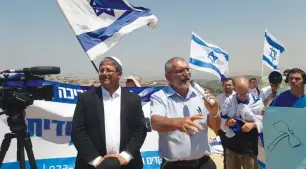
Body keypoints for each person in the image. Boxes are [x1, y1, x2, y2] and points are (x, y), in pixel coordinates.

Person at [71, 56, 147, 169]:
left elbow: (140, 129)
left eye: (108, 70)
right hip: (93, 165)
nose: (104, 73)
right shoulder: (86, 99)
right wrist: (97, 160)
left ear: (119, 74)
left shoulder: (133, 99)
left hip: (127, 164)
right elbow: (78, 132)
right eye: (101, 70)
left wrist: (126, 156)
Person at [150, 57, 221, 169]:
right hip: (176, 166)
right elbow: (155, 123)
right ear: (168, 76)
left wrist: (214, 114)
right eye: (180, 71)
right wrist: (177, 123)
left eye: (188, 70)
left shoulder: (201, 95)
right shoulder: (160, 97)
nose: (186, 73)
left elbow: (216, 128)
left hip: (204, 163)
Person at [221, 77, 264, 169]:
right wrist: (228, 122)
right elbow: (221, 119)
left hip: (249, 145)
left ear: (249, 87)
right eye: (239, 94)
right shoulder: (228, 101)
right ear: (235, 89)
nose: (242, 97)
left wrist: (253, 124)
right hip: (232, 144)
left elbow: (263, 120)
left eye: (245, 94)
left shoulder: (257, 102)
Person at [216, 78, 235, 169]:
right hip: (223, 130)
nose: (227, 87)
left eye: (229, 85)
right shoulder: (218, 98)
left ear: (233, 86)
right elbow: (216, 114)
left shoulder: (238, 96)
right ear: (223, 86)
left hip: (237, 130)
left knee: (237, 153)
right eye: (225, 85)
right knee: (226, 152)